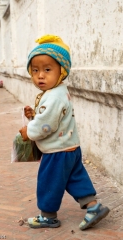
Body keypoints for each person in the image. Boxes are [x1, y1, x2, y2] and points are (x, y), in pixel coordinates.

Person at [19, 34, 110, 230]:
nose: (40, 75)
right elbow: (52, 119)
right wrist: (33, 116)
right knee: (74, 177)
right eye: (35, 70)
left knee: (48, 182)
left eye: (47, 69)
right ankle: (93, 207)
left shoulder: (53, 96)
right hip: (70, 147)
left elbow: (46, 125)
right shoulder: (58, 91)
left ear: (62, 71)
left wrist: (29, 131)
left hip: (56, 152)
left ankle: (48, 216)